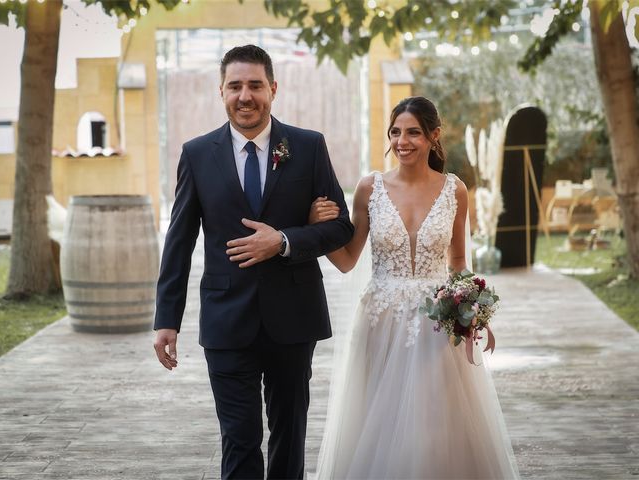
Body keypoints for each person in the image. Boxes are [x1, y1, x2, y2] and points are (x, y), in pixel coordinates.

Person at [152, 44, 354, 480]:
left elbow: (341, 228)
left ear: (273, 89)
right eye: (235, 86)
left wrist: (282, 241)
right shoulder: (197, 153)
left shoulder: (307, 146)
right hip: (227, 320)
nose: (246, 96)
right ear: (221, 92)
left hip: (293, 318)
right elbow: (179, 239)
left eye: (255, 85)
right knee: (240, 439)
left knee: (289, 436)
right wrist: (166, 318)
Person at [311, 96, 520, 479]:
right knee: (382, 418)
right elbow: (346, 260)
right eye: (395, 132)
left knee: (434, 420)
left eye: (413, 132)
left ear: (433, 136)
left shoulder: (454, 190)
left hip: (437, 323)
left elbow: (458, 263)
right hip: (381, 321)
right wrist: (315, 230)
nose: (402, 141)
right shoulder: (368, 188)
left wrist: (476, 314)